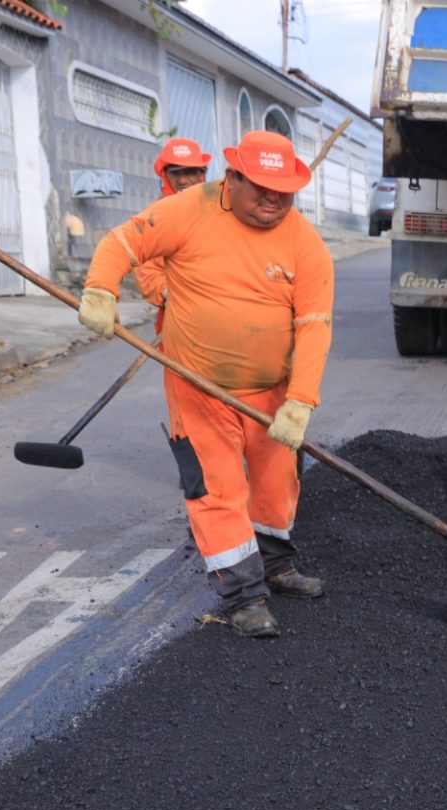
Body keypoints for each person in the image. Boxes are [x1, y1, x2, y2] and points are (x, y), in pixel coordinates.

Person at [77, 131, 333, 638]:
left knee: (277, 481)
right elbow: (124, 241)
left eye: (283, 191)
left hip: (270, 390)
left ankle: (276, 565)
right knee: (217, 488)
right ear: (232, 178)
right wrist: (101, 290)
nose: (272, 200)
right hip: (199, 386)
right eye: (260, 187)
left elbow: (314, 324)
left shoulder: (305, 242)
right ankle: (243, 595)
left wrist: (300, 401)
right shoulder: (188, 211)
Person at [135, 137, 212, 330]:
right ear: (165, 175)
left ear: (203, 173)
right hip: (178, 319)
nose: (183, 180)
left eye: (190, 172)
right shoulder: (154, 218)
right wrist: (169, 293)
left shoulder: (222, 210)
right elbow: (147, 271)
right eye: (175, 173)